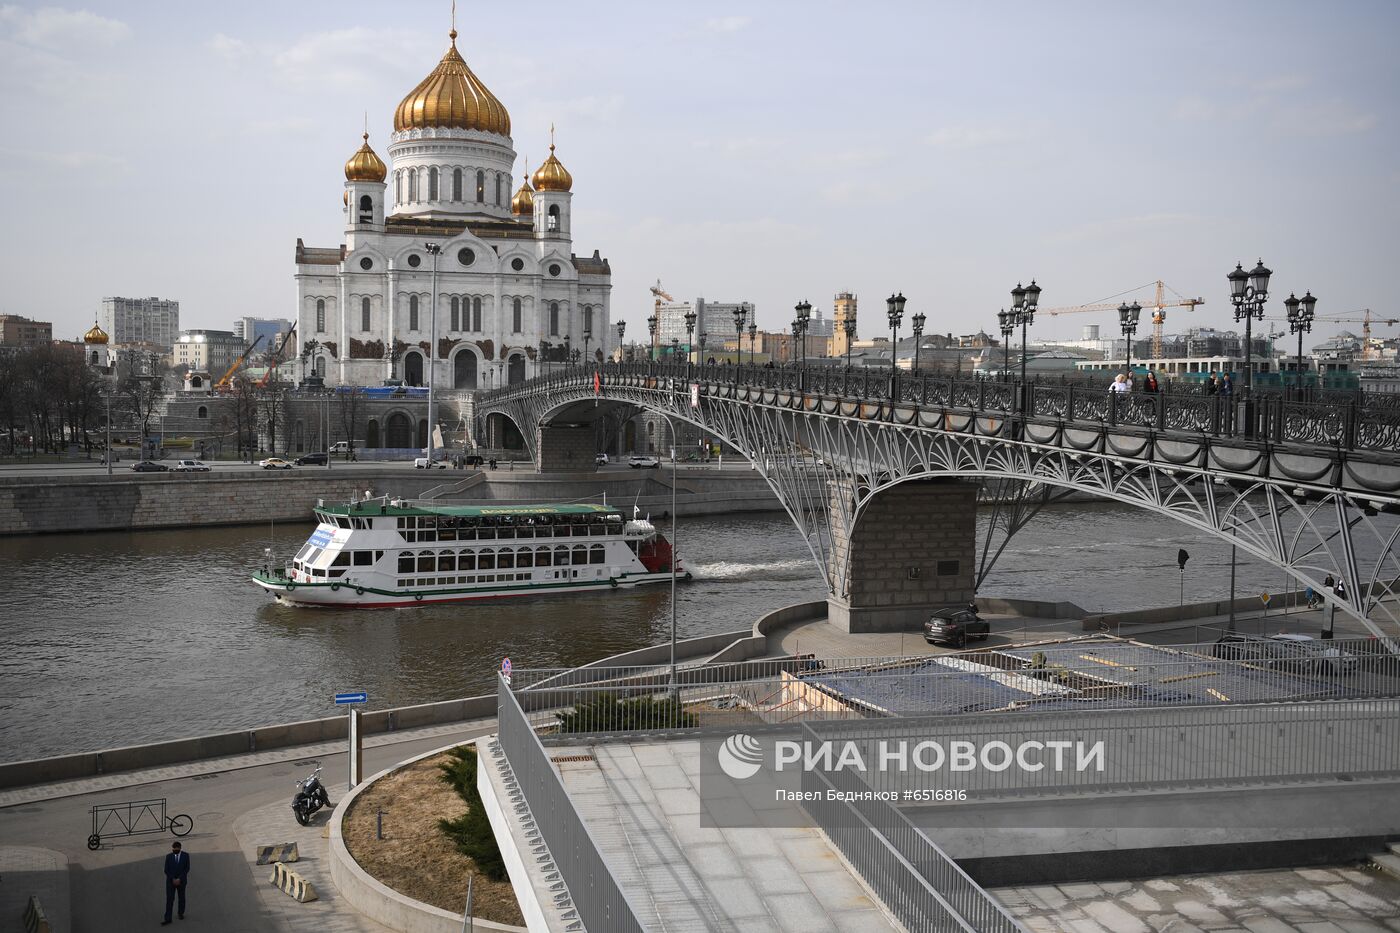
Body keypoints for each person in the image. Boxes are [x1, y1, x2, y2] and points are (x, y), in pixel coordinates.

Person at [162, 841, 190, 924]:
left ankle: (180, 913)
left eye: (176, 849)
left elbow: (187, 869)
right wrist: (173, 879)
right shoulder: (168, 857)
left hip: (181, 881)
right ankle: (168, 918)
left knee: (181, 898)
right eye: (173, 849)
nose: (174, 850)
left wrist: (179, 879)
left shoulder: (185, 856)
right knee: (170, 899)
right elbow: (166, 870)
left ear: (180, 848)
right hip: (171, 882)